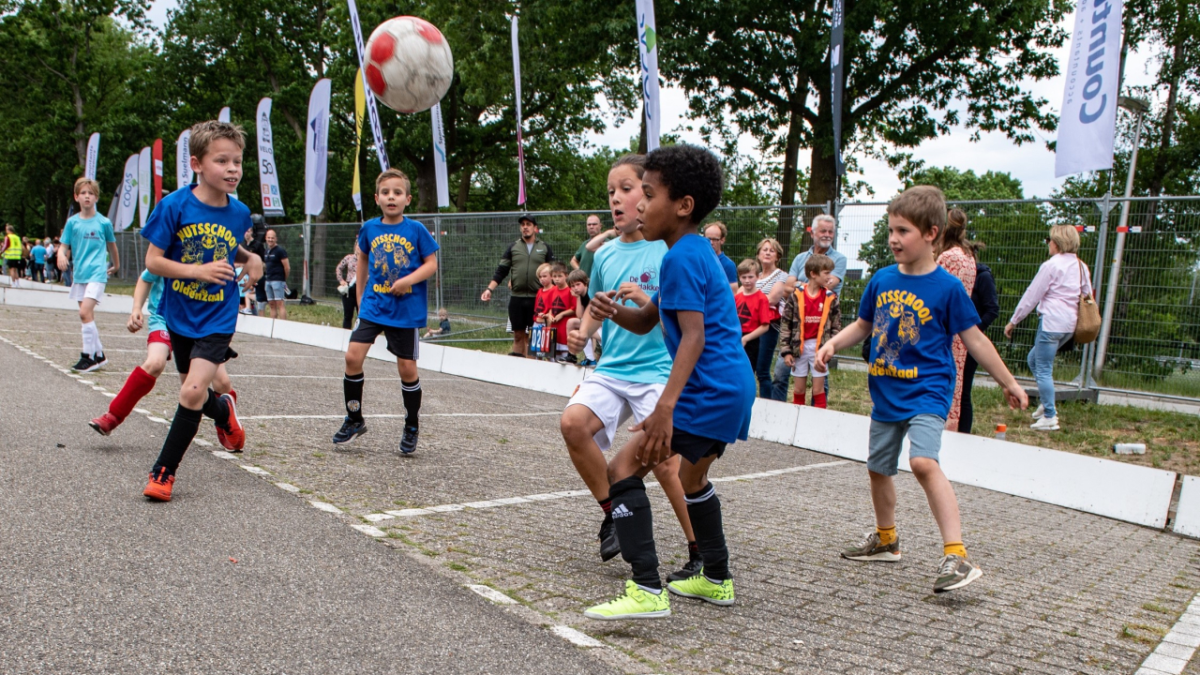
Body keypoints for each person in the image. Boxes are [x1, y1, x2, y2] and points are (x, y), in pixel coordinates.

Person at [814, 185, 1027, 593]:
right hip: (886, 390)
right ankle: (886, 539)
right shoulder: (882, 278)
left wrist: (1009, 382)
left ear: (931, 233)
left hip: (929, 389)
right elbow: (864, 324)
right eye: (891, 230)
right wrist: (833, 342)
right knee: (878, 468)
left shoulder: (947, 288)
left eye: (902, 231)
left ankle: (957, 555)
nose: (893, 239)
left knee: (923, 462)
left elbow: (976, 339)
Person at [583, 144, 755, 620]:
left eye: (649, 195)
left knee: (621, 469)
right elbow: (647, 321)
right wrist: (610, 310)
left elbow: (693, 338)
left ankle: (646, 589)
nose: (638, 204)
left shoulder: (678, 259)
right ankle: (716, 578)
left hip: (710, 387)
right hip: (734, 387)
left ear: (683, 206)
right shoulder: (692, 252)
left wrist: (665, 407)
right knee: (692, 475)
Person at [562, 153, 702, 587]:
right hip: (611, 368)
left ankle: (700, 550)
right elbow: (598, 308)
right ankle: (613, 515)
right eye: (611, 192)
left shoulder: (668, 249)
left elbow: (680, 321)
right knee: (571, 424)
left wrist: (645, 304)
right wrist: (582, 332)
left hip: (656, 369)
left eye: (626, 188)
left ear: (650, 195)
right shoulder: (603, 254)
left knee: (665, 464)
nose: (617, 200)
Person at [139, 120, 263, 502]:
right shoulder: (173, 206)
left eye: (238, 161)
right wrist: (195, 271)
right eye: (221, 160)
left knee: (192, 392)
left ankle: (163, 472)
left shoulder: (240, 212)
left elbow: (229, 249)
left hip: (218, 315)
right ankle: (223, 412)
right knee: (190, 394)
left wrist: (252, 256)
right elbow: (154, 261)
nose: (232, 169)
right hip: (178, 313)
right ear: (197, 164)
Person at [332, 168, 439, 455]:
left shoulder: (415, 230)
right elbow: (362, 259)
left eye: (398, 193)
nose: (392, 197)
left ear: (407, 198)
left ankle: (411, 424)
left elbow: (431, 264)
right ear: (377, 197)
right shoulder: (369, 228)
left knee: (407, 369)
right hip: (373, 306)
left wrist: (407, 281)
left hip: (405, 311)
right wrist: (359, 297)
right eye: (386, 193)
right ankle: (354, 418)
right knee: (352, 357)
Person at [89, 269, 235, 436]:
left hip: (199, 323)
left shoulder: (210, 255)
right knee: (155, 363)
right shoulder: (168, 253)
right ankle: (113, 416)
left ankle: (227, 422)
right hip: (163, 319)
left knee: (221, 383)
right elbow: (145, 278)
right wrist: (136, 308)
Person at [1004, 225, 1093, 432]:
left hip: (1051, 322)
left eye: (1049, 240)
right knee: (1033, 359)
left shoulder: (1051, 266)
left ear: (1058, 243)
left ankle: (1050, 415)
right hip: (1070, 325)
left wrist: (1014, 320)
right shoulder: (1081, 266)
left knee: (1043, 368)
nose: (1048, 244)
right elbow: (1087, 294)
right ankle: (1047, 399)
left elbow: (1032, 295)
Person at [773, 214, 849, 401]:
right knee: (783, 376)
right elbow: (787, 288)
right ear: (812, 232)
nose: (827, 235)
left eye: (831, 231)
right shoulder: (800, 258)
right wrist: (799, 286)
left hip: (819, 340)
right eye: (823, 230)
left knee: (819, 387)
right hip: (798, 341)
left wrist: (799, 283)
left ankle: (818, 419)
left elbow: (828, 284)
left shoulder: (838, 259)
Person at [59, 178, 119, 372]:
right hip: (80, 275)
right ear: (77, 197)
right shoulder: (72, 223)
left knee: (84, 312)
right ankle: (99, 354)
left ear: (96, 197)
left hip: (97, 274)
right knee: (88, 316)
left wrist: (116, 265)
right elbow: (64, 245)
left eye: (91, 193)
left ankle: (88, 357)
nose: (87, 196)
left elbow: (112, 246)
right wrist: (61, 255)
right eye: (83, 193)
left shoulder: (104, 222)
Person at [481, 215, 555, 357]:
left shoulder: (544, 247)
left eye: (528, 224)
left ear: (535, 228)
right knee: (518, 335)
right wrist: (489, 289)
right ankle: (517, 369)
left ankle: (532, 369)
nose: (525, 227)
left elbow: (553, 271)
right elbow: (501, 270)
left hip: (537, 298)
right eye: (522, 224)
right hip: (517, 298)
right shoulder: (513, 247)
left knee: (534, 337)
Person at [936, 208, 979, 431]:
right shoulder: (969, 256)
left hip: (942, 329)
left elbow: (935, 291)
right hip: (961, 331)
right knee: (957, 383)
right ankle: (952, 426)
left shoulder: (947, 257)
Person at [779, 254, 841, 408]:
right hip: (799, 347)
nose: (830, 277)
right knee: (799, 389)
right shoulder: (796, 295)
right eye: (826, 273)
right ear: (813, 274)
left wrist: (830, 348)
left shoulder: (831, 297)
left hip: (819, 349)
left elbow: (836, 327)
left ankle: (819, 422)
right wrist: (787, 352)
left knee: (818, 389)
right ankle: (797, 422)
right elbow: (786, 324)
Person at [960, 260, 1000, 434]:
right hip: (951, 343)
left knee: (963, 393)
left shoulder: (982, 276)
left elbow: (992, 309)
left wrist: (972, 332)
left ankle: (963, 435)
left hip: (968, 344)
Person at [753, 238, 789, 398]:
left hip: (768, 327)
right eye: (764, 250)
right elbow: (738, 297)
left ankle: (768, 404)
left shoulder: (781, 276)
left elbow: (773, 298)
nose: (767, 253)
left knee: (762, 370)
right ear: (758, 255)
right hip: (750, 327)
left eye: (771, 250)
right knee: (748, 368)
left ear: (777, 256)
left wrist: (750, 301)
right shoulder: (754, 276)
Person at [734, 259, 771, 367]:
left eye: (750, 277)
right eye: (743, 277)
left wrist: (746, 338)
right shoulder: (736, 298)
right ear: (739, 278)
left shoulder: (761, 299)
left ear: (757, 277)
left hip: (751, 340)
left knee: (748, 371)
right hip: (736, 337)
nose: (747, 280)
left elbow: (765, 326)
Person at [565, 268, 597, 366]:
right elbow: (580, 316)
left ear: (585, 283)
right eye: (573, 286)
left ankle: (593, 358)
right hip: (589, 322)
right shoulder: (581, 295)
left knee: (586, 328)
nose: (575, 288)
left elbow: (592, 316)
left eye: (578, 284)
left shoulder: (591, 292)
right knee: (571, 322)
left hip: (600, 323)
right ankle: (572, 354)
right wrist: (577, 298)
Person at [547, 261, 576, 363]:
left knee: (564, 357)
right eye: (554, 276)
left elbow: (574, 309)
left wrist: (562, 314)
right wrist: (550, 315)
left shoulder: (570, 290)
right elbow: (550, 306)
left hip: (564, 329)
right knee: (553, 356)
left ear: (566, 276)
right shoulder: (553, 290)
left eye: (560, 276)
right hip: (554, 328)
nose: (557, 279)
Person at [702, 221, 738, 291]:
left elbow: (733, 293)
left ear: (722, 240)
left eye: (715, 239)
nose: (711, 243)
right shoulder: (699, 261)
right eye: (708, 239)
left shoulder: (728, 265)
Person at [262, 229, 289, 320]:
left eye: (272, 238)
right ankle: (272, 325)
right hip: (268, 280)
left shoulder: (280, 251)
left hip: (278, 280)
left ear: (276, 239)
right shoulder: (266, 251)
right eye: (269, 238)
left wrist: (283, 279)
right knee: (271, 304)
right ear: (266, 238)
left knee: (279, 303)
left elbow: (287, 267)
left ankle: (283, 325)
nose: (270, 240)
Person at [244, 224, 267, 315]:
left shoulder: (258, 245)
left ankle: (257, 313)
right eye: (245, 231)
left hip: (256, 274)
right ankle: (250, 311)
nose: (246, 234)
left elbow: (263, 261)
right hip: (246, 274)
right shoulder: (244, 245)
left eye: (248, 231)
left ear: (252, 232)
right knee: (247, 295)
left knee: (257, 296)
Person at [336, 246, 358, 329]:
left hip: (363, 289)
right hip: (349, 289)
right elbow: (339, 268)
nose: (359, 248)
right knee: (348, 315)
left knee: (361, 316)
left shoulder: (368, 259)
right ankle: (345, 334)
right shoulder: (349, 258)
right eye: (357, 245)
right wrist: (341, 280)